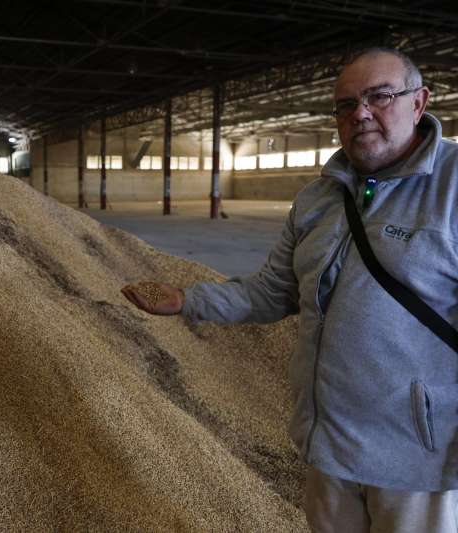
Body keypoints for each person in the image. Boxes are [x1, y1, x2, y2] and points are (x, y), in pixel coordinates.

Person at [122, 47, 458, 532]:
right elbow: (271, 291)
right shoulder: (318, 198)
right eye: (346, 105)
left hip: (417, 466)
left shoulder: (451, 188)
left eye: (379, 97)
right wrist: (188, 299)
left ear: (419, 102)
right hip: (329, 449)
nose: (360, 113)